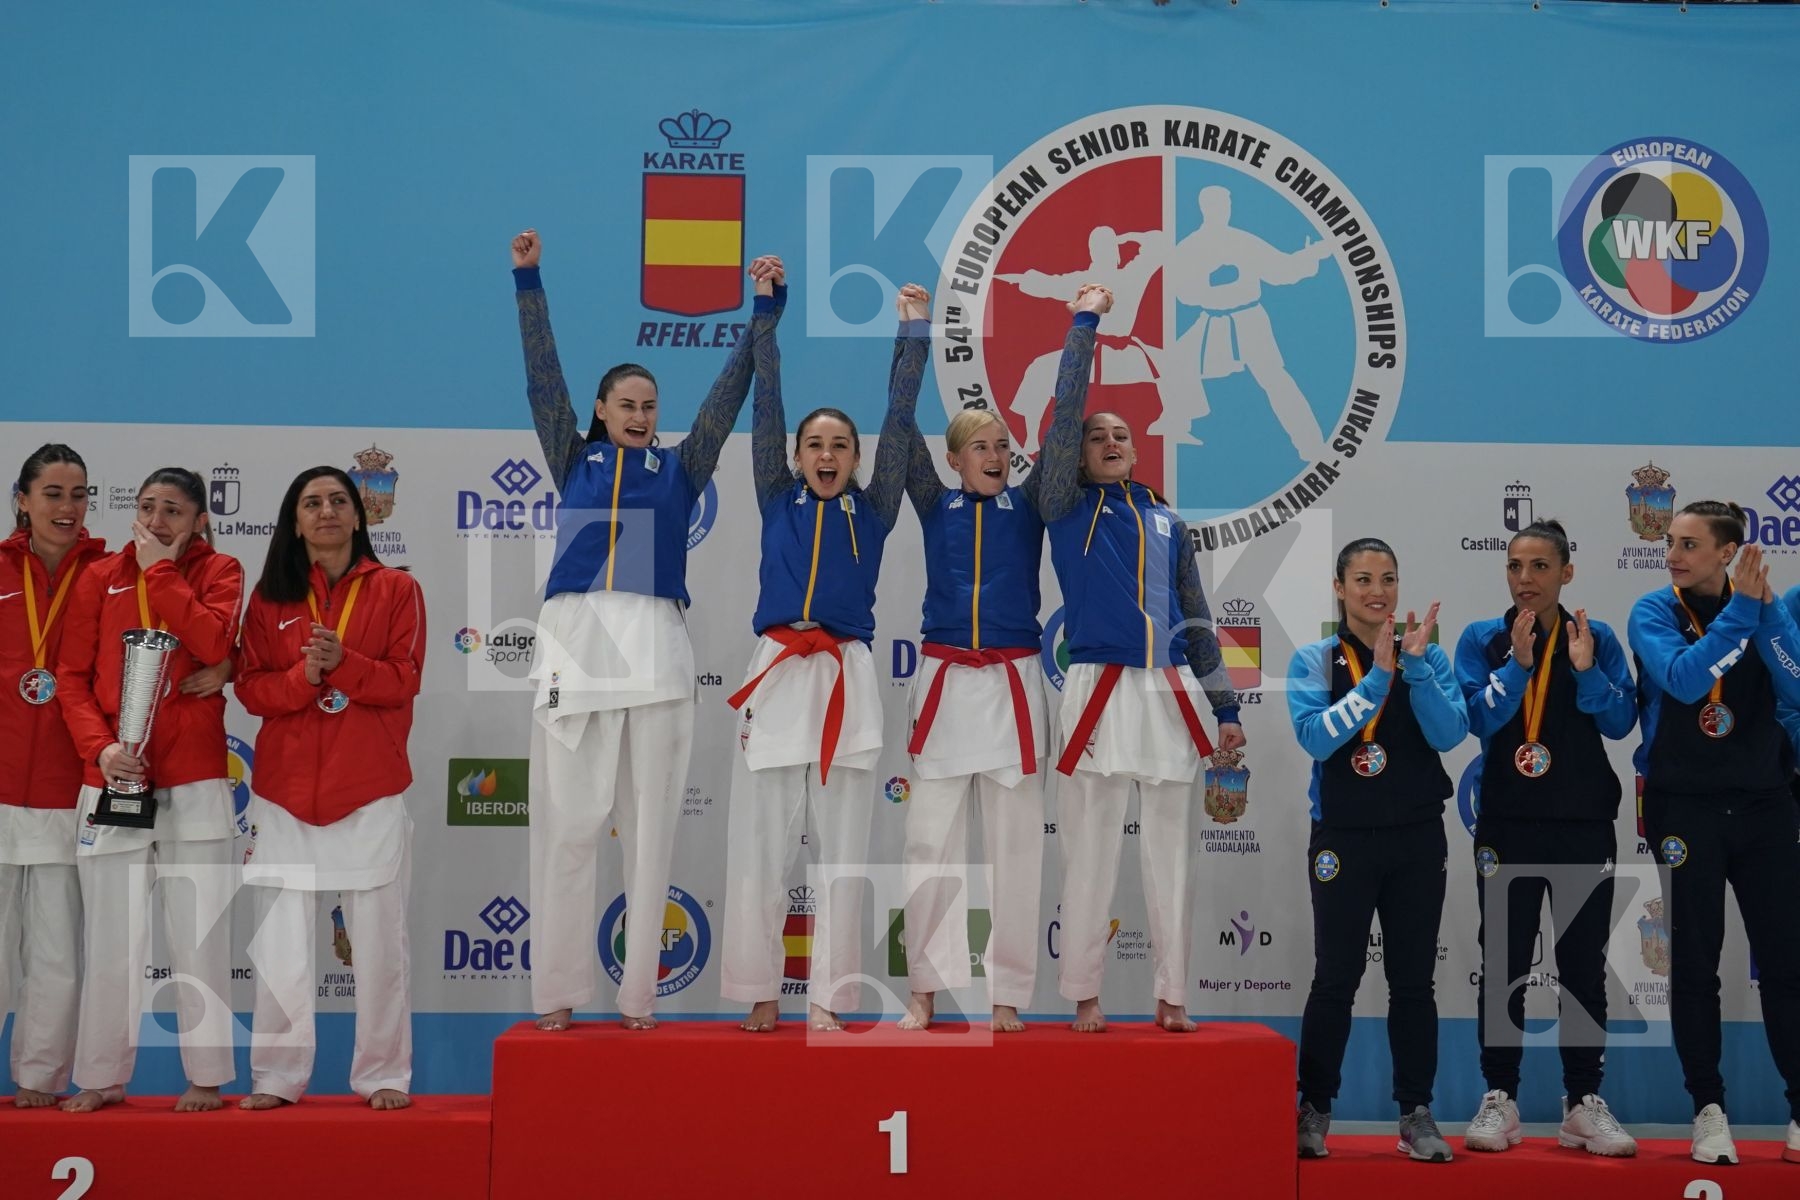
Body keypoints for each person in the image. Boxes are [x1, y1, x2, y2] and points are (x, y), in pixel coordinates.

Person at [509, 230, 780, 1032]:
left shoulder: (682, 467)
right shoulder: (574, 456)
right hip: (577, 637)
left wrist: (764, 310)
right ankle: (556, 992)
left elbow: (728, 396)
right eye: (625, 403)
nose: (638, 414)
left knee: (653, 825)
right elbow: (541, 377)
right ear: (599, 411)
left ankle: (639, 996)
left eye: (649, 405)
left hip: (658, 645)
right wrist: (529, 282)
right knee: (567, 824)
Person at [892, 283, 1109, 1032]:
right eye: (980, 445)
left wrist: (1082, 323)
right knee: (929, 844)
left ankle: (1007, 992)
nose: (996, 454)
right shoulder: (932, 502)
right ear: (952, 460)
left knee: (1017, 849)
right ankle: (924, 984)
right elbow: (897, 426)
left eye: (1001, 445)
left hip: (1014, 681)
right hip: (946, 680)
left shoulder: (1036, 504)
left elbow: (1065, 417)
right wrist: (913, 335)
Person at [1037, 309, 1244, 1037]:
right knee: (1089, 850)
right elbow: (1065, 415)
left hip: (1164, 689)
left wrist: (1226, 711)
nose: (1111, 444)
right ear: (1077, 454)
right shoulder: (1062, 506)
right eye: (1098, 437)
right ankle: (1084, 993)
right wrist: (1085, 326)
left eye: (1121, 435)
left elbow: (1196, 615)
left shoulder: (1166, 520)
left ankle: (1172, 993)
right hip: (1097, 687)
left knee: (1169, 853)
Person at [721, 264, 913, 1033]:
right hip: (775, 675)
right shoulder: (776, 494)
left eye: (840, 446)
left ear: (857, 460)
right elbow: (766, 399)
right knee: (762, 849)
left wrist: (911, 332)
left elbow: (900, 417)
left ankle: (831, 996)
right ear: (796, 457)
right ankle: (762, 991)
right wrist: (768, 308)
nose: (826, 455)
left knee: (841, 854)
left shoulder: (876, 511)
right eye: (815, 446)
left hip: (845, 678)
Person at [234, 467, 424, 1110]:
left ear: (358, 515)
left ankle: (383, 1076)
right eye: (311, 503)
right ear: (294, 519)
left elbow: (403, 680)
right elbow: (251, 688)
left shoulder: (398, 589)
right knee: (281, 947)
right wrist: (302, 676)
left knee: (379, 946)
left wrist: (346, 663)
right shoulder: (269, 598)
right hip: (285, 791)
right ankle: (277, 1079)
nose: (326, 512)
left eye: (338, 501)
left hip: (368, 787)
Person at [55, 468, 239, 1113]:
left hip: (193, 779)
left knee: (200, 935)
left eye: (174, 510)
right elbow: (71, 678)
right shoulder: (97, 577)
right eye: (148, 507)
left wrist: (161, 573)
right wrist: (100, 749)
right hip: (111, 777)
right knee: (111, 936)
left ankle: (207, 1077)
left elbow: (214, 641)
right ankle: (101, 1076)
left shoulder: (219, 571)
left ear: (199, 522)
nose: (157, 521)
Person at [1453, 519, 1639, 1156]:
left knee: (1582, 968)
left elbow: (1619, 721)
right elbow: (1472, 719)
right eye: (1514, 566)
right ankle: (1499, 1098)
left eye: (1538, 566)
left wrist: (1585, 672)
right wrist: (1518, 665)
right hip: (1506, 824)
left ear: (1566, 571)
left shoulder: (1597, 636)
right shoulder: (1483, 638)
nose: (1525, 579)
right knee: (1503, 963)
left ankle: (1582, 1102)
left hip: (1584, 824)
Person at [1630, 500, 1800, 1165]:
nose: (1672, 553)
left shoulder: (1767, 606)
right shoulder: (1653, 611)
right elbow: (1683, 679)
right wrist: (1744, 615)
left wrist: (1765, 617)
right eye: (1671, 541)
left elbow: (1794, 683)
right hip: (1685, 810)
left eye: (1689, 544)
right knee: (1695, 967)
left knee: (1787, 966)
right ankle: (1709, 1110)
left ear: (1727, 552)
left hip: (1764, 809)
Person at [1288, 539, 1462, 1162]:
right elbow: (1317, 738)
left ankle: (1416, 1112)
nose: (1377, 590)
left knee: (1413, 982)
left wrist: (1412, 669)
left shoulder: (1429, 655)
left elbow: (1451, 732)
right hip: (1343, 837)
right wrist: (1379, 679)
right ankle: (1315, 1108)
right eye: (1362, 579)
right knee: (1335, 978)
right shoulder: (1314, 658)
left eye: (1387, 578)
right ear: (1339, 588)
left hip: (1417, 838)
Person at [1, 446, 104, 1107]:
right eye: (53, 493)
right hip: (0, 778)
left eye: (79, 494)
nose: (67, 508)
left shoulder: (110, 574)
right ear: (23, 499)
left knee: (58, 952)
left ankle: (39, 1076)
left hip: (72, 784)